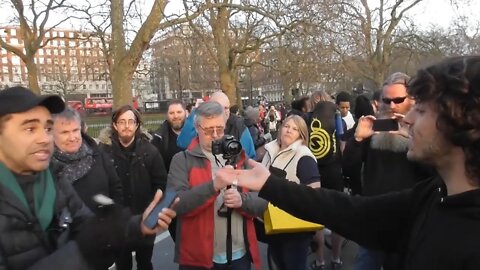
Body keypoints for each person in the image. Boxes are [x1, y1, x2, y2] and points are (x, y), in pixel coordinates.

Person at [216, 56, 480, 270]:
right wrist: (268, 184)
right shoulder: (434, 194)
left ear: (461, 122)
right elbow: (350, 209)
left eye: (420, 110)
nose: (408, 119)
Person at [0, 87, 176, 270]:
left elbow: (84, 222)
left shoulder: (53, 178)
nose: (45, 138)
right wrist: (85, 249)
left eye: (47, 128)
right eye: (30, 128)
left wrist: (138, 225)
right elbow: (87, 240)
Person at [167, 101, 266, 269]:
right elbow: (176, 203)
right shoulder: (182, 160)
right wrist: (213, 186)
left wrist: (242, 200)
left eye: (219, 129)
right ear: (197, 128)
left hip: (239, 255)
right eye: (208, 130)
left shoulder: (239, 157)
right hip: (198, 258)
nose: (214, 135)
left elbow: (264, 200)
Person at [98, 105, 168, 270]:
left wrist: (154, 212)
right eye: (122, 122)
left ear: (137, 125)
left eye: (131, 121)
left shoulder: (150, 152)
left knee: (145, 263)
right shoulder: (103, 153)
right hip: (117, 224)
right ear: (115, 125)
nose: (127, 126)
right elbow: (100, 185)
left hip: (145, 219)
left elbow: (161, 184)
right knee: (123, 265)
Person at [261, 115, 320, 270]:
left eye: (295, 129)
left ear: (301, 135)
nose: (289, 130)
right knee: (279, 264)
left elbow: (314, 192)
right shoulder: (269, 150)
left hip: (294, 227)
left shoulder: (303, 156)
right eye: (287, 126)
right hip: (272, 222)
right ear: (281, 128)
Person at [50, 107, 123, 215]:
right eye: (65, 132)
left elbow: (116, 188)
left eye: (75, 130)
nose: (72, 137)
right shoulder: (46, 167)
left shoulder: (97, 154)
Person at [307, 90, 345, 270]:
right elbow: (342, 141)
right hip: (334, 169)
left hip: (314, 170)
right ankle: (336, 259)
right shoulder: (337, 116)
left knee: (316, 217)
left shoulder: (307, 118)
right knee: (338, 214)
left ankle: (320, 261)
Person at [177, 91, 256, 159]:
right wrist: (196, 112)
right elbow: (183, 143)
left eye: (226, 108)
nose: (224, 111)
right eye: (219, 107)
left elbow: (249, 157)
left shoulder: (239, 126)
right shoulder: (202, 124)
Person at [151, 99, 187, 171]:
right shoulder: (158, 139)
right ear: (167, 115)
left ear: (186, 113)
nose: (175, 116)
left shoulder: (197, 135)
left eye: (179, 112)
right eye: (171, 113)